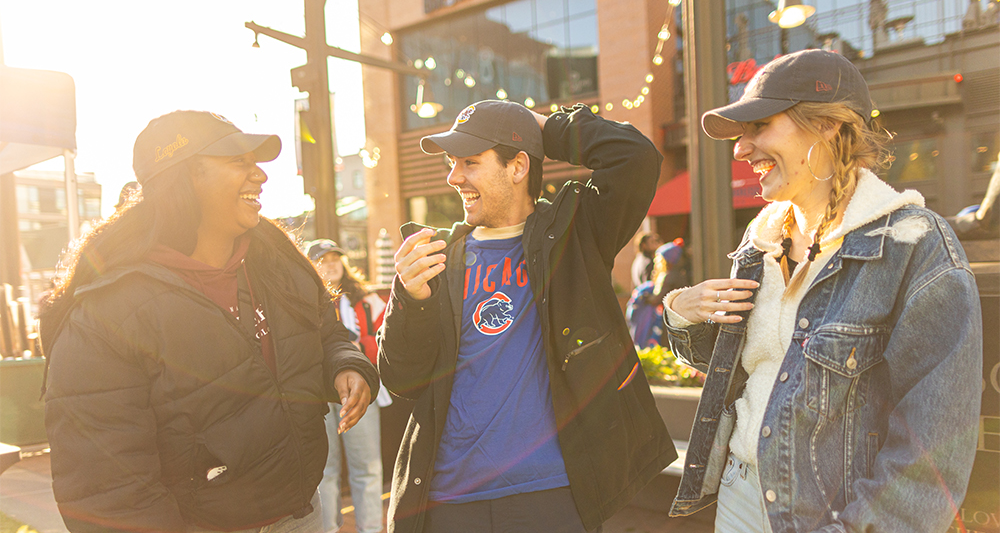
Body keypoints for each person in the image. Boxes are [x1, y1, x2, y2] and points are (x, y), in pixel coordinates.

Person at [662, 50, 982, 532]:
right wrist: (681, 313)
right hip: (738, 494)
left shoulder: (914, 245)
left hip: (833, 515)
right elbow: (755, 371)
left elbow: (934, 449)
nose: (740, 150)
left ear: (828, 125)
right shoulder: (761, 240)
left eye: (760, 126)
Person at [40, 111, 378, 533]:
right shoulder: (107, 311)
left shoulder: (275, 259)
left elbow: (326, 332)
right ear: (185, 178)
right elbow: (107, 490)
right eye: (239, 162)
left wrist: (347, 364)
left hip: (301, 513)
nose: (260, 176)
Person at [378, 100, 677, 533]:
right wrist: (412, 301)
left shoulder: (575, 234)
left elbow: (635, 157)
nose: (453, 176)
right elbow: (402, 380)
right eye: (452, 163)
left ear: (518, 166)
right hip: (448, 502)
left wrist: (544, 127)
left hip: (551, 498)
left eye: (470, 162)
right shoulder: (434, 256)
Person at [307, 239, 392, 533]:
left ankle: (370, 529)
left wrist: (358, 350)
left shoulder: (367, 300)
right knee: (325, 469)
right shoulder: (303, 302)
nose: (331, 264)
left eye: (335, 258)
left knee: (367, 467)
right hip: (319, 395)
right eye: (322, 259)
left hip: (361, 390)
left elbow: (387, 339)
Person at [627, 238, 687, 348]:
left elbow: (656, 299)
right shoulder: (680, 274)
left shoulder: (669, 276)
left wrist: (644, 296)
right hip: (679, 316)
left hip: (669, 318)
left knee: (666, 344)